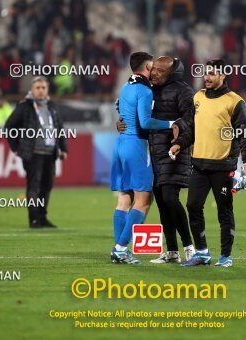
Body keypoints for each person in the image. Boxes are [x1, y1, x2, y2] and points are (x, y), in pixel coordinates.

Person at [169, 59, 246, 267]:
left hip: (223, 167)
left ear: (223, 76)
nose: (206, 77)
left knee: (224, 211)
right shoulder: (198, 97)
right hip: (199, 165)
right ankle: (202, 252)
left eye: (212, 73)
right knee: (193, 206)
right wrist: (179, 143)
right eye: (205, 73)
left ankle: (226, 256)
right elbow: (191, 127)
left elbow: (244, 133)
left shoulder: (234, 101)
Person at [110, 52, 175, 265]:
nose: (155, 70)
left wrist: (121, 122)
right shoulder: (144, 89)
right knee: (144, 201)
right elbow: (145, 123)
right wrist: (170, 123)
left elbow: (119, 108)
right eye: (153, 66)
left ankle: (120, 249)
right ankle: (120, 249)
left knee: (124, 199)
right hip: (136, 145)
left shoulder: (126, 86)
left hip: (119, 144)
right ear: (147, 66)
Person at [4, 77, 69, 229]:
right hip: (33, 153)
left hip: (50, 152)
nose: (40, 90)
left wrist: (64, 148)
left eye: (43, 88)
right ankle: (33, 219)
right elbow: (9, 126)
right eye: (37, 88)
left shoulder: (52, 106)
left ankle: (42, 217)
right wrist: (16, 147)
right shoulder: (25, 106)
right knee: (34, 185)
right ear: (32, 90)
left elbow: (59, 129)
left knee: (47, 186)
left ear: (47, 90)